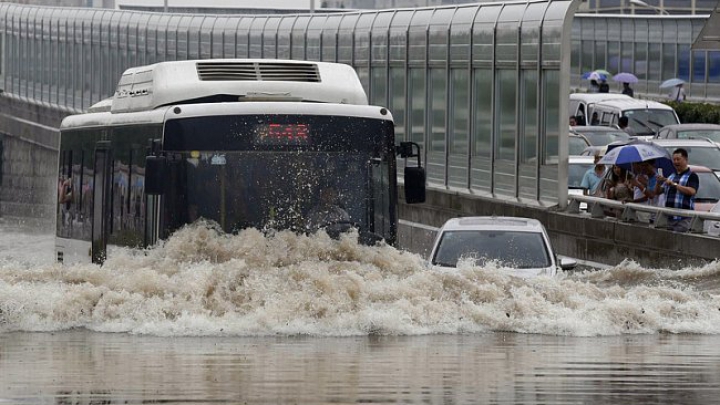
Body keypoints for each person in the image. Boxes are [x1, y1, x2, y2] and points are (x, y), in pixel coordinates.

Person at [655, 148, 699, 232]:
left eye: (678, 159)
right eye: (674, 160)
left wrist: (674, 184)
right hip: (669, 217)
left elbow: (692, 191)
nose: (676, 162)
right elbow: (657, 192)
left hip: (683, 218)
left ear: (686, 160)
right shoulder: (671, 175)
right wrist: (658, 182)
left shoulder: (692, 175)